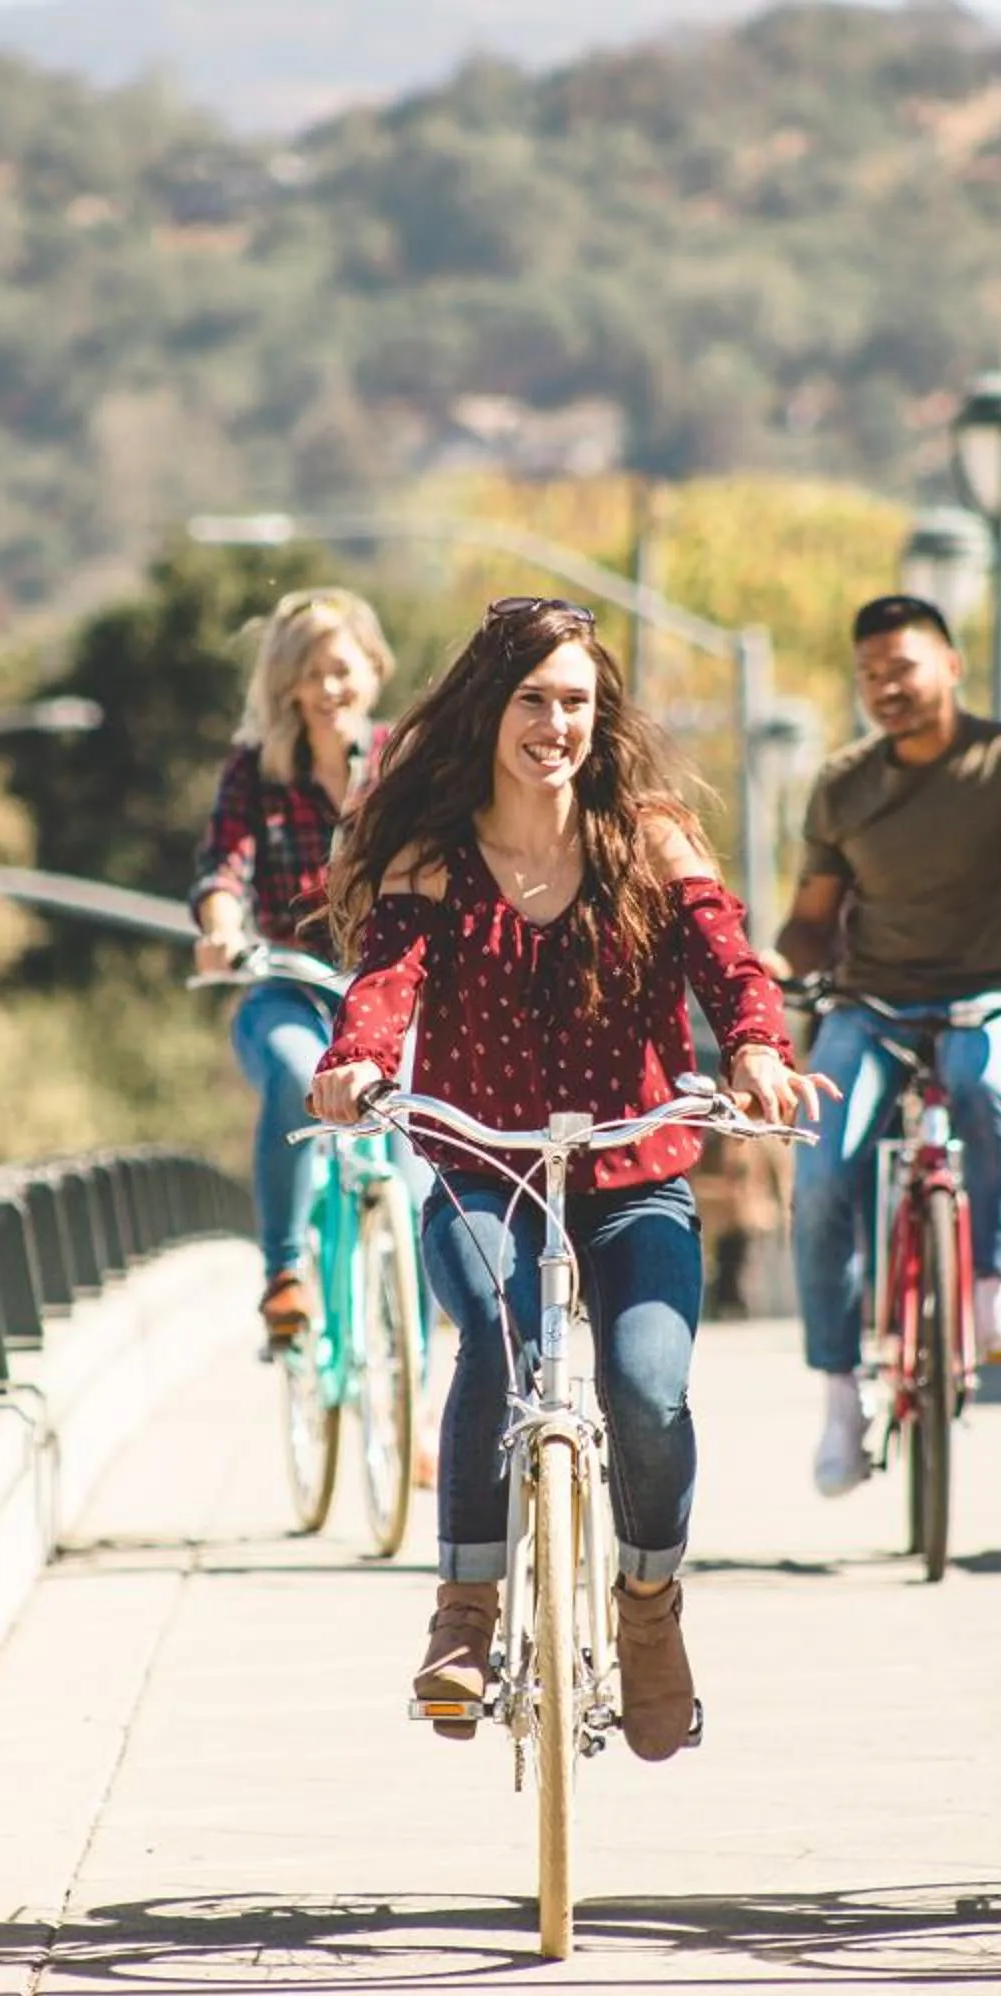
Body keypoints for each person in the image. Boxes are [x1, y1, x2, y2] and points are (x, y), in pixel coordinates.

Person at [307, 596, 830, 1761]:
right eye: (533, 700)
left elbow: (729, 958)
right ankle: (465, 1613)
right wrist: (354, 1062)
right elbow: (385, 983)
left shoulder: (648, 837)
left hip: (633, 1165)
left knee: (648, 1390)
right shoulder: (435, 860)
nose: (555, 724)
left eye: (577, 703)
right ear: (490, 709)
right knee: (495, 1341)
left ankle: (647, 1610)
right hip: (479, 1167)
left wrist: (754, 1048)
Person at [776, 594, 1001, 1497]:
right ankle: (842, 1393)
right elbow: (810, 921)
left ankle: (996, 1288)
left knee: (983, 1085)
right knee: (825, 1163)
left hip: (988, 994)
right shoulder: (844, 781)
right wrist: (771, 969)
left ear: (950, 666)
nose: (887, 688)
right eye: (870, 675)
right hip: (869, 1004)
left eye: (903, 668)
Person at [191, 586, 396, 1350]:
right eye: (311, 674)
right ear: (287, 685)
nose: (329, 689)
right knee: (296, 1071)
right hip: (289, 986)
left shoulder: (401, 765)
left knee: (415, 1195)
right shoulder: (255, 774)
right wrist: (220, 927)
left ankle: (406, 1382)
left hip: (393, 999)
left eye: (342, 669)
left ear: (373, 671)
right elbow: (224, 867)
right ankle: (284, 1273)